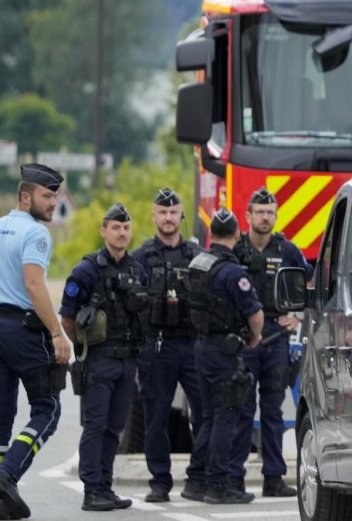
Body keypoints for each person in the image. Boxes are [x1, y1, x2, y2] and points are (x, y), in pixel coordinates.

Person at [0, 163, 73, 521]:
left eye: (54, 195)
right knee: (48, 410)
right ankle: (7, 474)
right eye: (46, 195)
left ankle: (1, 504)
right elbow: (35, 285)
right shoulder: (36, 235)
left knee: (0, 415)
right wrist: (57, 333)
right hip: (25, 332)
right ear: (26, 197)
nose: (53, 202)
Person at [60, 202, 148, 511]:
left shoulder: (137, 268)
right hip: (99, 360)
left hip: (127, 361)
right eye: (115, 227)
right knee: (95, 426)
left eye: (126, 228)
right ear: (103, 231)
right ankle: (91, 490)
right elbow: (67, 318)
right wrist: (83, 348)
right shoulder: (87, 270)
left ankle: (106, 486)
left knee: (115, 428)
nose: (122, 232)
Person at [229, 187, 309, 498]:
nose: (265, 217)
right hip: (245, 342)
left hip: (276, 339)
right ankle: (234, 477)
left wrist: (298, 315)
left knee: (273, 413)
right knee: (242, 410)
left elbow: (310, 281)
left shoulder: (287, 250)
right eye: (260, 212)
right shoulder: (236, 250)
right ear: (247, 216)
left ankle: (274, 478)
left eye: (270, 212)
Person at [132, 188, 208, 503]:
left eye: (173, 212)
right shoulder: (140, 257)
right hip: (157, 346)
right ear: (154, 215)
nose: (167, 218)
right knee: (156, 416)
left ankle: (199, 476)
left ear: (181, 215)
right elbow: (130, 308)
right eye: (162, 212)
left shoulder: (198, 257)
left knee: (206, 413)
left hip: (193, 345)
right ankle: (159, 482)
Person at [188, 208, 264, 505]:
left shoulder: (198, 263)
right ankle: (218, 484)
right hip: (224, 351)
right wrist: (255, 336)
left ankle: (197, 479)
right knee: (226, 417)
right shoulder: (234, 272)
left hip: (201, 347)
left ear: (211, 234)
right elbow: (255, 314)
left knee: (208, 416)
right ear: (236, 234)